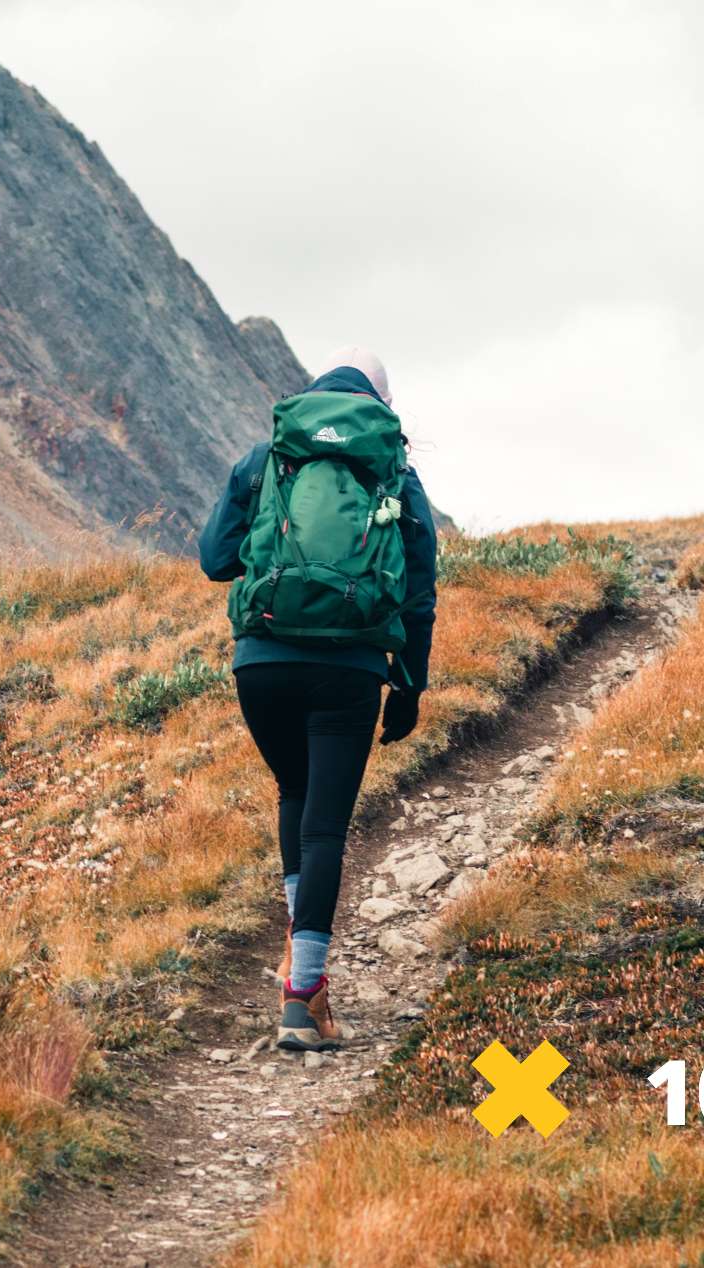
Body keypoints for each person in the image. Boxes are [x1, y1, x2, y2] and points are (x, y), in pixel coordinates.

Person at [198, 346, 438, 1051]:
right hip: (350, 671)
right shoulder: (394, 470)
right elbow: (419, 592)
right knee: (325, 826)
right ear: (381, 406)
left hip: (261, 666)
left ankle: (299, 969)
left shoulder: (268, 456)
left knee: (294, 796)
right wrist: (409, 685)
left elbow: (216, 559)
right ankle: (303, 997)